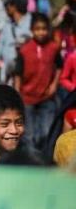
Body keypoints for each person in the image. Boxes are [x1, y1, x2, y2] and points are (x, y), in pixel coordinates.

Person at [14, 13, 62, 150]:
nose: (41, 32)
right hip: (27, 97)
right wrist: (17, 94)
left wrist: (54, 84)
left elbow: (59, 66)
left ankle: (43, 161)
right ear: (31, 30)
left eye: (44, 29)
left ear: (48, 30)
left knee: (46, 132)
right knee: (29, 134)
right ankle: (31, 164)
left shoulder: (53, 48)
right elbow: (17, 73)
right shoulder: (25, 49)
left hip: (47, 96)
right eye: (37, 29)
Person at [0, 0, 32, 83]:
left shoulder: (32, 23)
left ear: (14, 7)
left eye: (8, 5)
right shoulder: (7, 25)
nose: (6, 8)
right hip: (8, 73)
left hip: (26, 73)